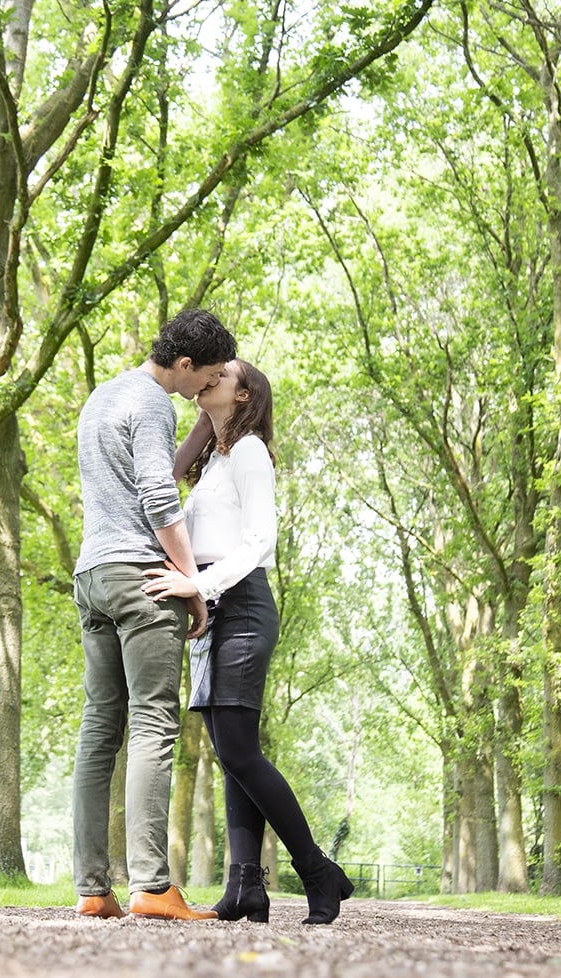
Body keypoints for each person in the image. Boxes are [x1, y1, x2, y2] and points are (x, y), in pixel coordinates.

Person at [140, 359, 355, 925]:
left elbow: (260, 541)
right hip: (209, 605)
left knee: (238, 750)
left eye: (222, 373)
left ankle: (316, 871)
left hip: (240, 603)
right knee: (229, 753)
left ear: (244, 395)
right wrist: (205, 422)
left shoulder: (253, 452)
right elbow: (161, 482)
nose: (208, 375)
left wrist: (198, 583)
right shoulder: (215, 461)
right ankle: (245, 888)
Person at [72, 308, 236, 921]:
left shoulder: (103, 397)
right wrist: (192, 582)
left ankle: (93, 889)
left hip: (92, 577)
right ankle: (152, 885)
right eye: (209, 375)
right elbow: (158, 494)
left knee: (99, 731)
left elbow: (132, 481)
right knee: (152, 727)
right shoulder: (152, 403)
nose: (210, 388)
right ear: (185, 365)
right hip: (142, 578)